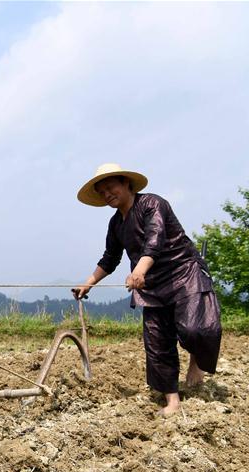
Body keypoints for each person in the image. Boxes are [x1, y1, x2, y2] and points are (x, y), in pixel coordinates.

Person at [72, 163, 222, 417]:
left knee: (195, 328)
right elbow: (110, 258)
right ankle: (172, 400)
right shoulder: (116, 224)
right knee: (156, 342)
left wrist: (139, 270)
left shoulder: (152, 204)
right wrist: (88, 284)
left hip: (183, 273)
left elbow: (155, 240)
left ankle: (196, 360)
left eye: (111, 187)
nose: (107, 194)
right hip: (151, 285)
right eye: (102, 192)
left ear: (127, 184)